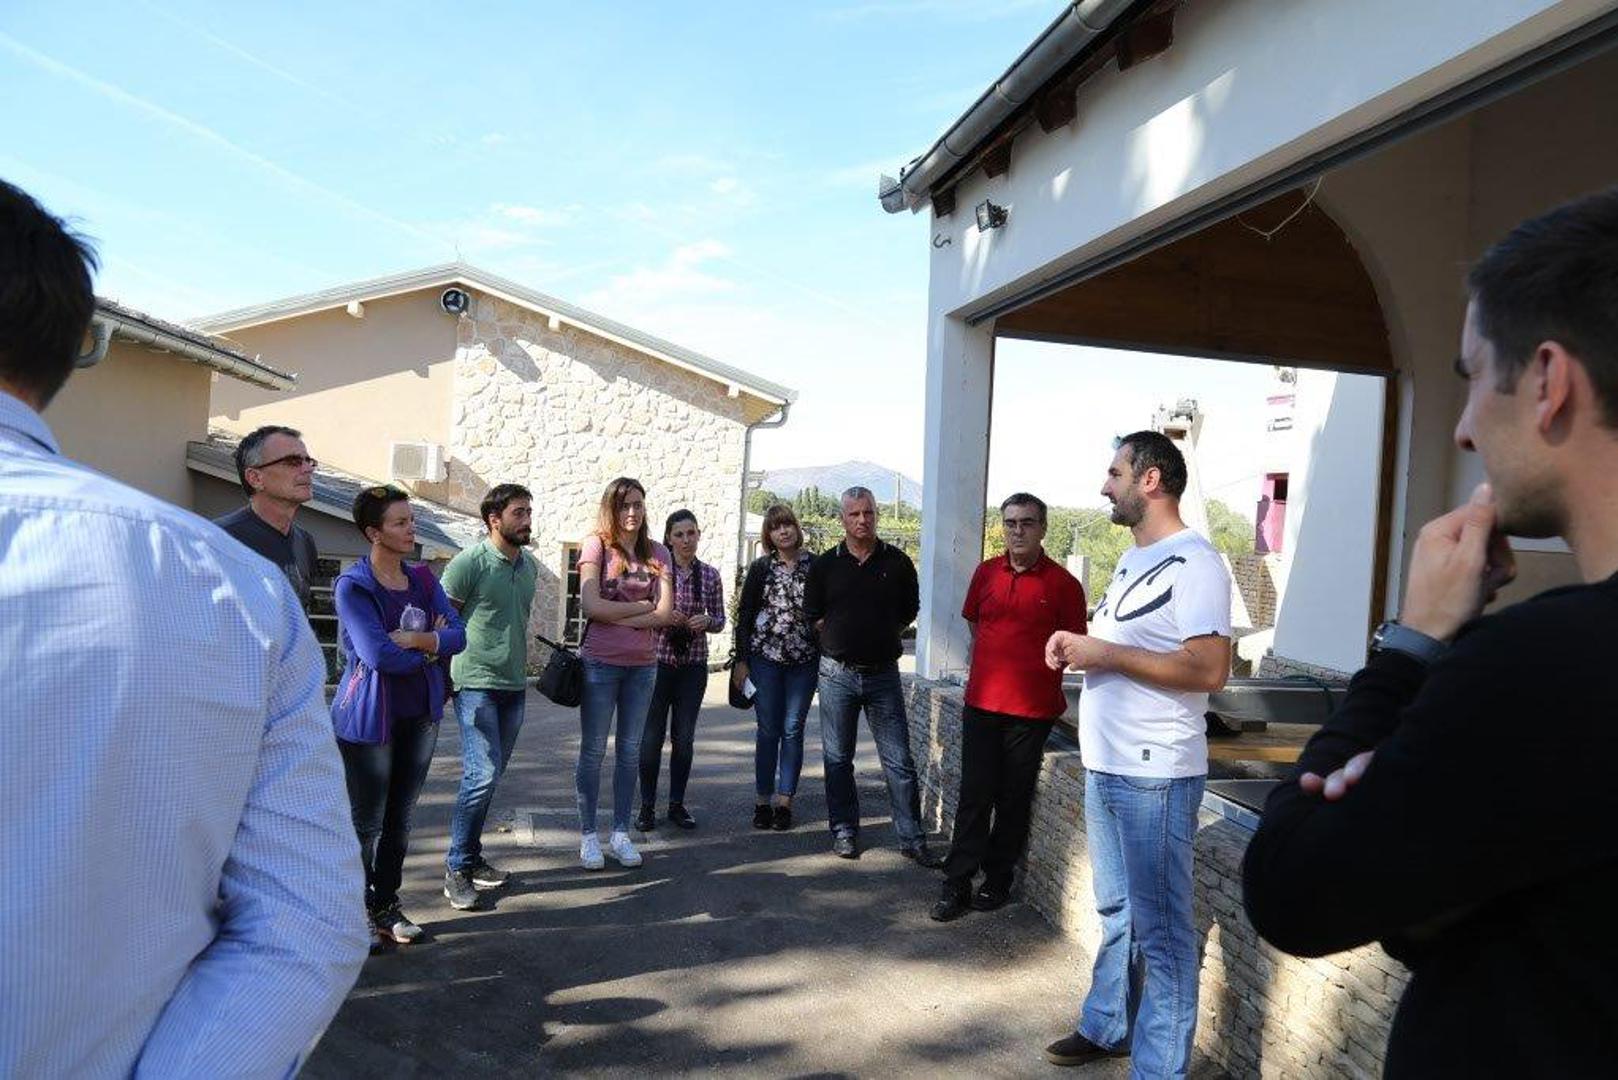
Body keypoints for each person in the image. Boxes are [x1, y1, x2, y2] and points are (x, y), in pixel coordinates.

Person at [1242, 189, 1618, 1076]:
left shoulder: (1544, 666)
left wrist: (1413, 647)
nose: (1462, 428)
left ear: (1548, 382)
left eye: (1472, 376)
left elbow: (1292, 886)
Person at [0, 180, 368, 1077]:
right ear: (249, 476)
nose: (308, 469)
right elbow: (307, 921)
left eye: (310, 457)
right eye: (290, 458)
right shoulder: (221, 563)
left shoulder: (276, 565)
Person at [1041, 432, 1232, 1073]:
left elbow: (1210, 669)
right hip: (1108, 764)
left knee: (1164, 934)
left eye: (1115, 472)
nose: (1105, 486)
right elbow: (1131, 649)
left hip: (1156, 774)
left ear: (1150, 480)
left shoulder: (1196, 563)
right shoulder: (1132, 559)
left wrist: (1105, 652)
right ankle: (1108, 1024)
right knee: (1117, 910)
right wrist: (1080, 647)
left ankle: (1158, 1069)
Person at [931, 493, 1086, 923]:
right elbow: (974, 622)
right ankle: (957, 882)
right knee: (975, 795)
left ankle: (998, 879)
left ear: (1043, 528)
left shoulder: (1064, 585)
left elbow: (1073, 645)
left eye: (1027, 523)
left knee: (1013, 799)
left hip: (1032, 712)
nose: (1018, 531)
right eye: (1011, 523)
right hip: (982, 703)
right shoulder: (986, 573)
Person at [331, 485, 466, 945]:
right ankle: (352, 913)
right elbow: (377, 656)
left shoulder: (424, 579)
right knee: (365, 823)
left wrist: (417, 641)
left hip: (420, 714)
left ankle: (385, 905)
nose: (412, 529)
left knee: (400, 820)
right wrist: (432, 646)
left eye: (412, 520)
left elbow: (459, 635)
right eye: (401, 522)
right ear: (374, 532)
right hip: (371, 720)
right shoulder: (354, 586)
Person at [804, 486, 942, 866]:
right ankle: (844, 831)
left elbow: (909, 610)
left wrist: (880, 632)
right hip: (837, 675)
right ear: (842, 519)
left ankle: (912, 838)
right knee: (837, 759)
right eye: (854, 514)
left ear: (876, 515)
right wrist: (838, 635)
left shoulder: (897, 562)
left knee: (899, 761)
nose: (862, 520)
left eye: (868, 513)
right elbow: (812, 613)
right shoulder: (825, 566)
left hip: (883, 676)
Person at [440, 483, 538, 912]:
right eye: (519, 513)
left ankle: (472, 856)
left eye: (529, 511)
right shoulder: (469, 563)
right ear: (493, 520)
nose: (527, 520)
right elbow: (442, 620)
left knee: (491, 775)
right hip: (475, 683)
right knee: (480, 775)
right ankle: (456, 868)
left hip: (513, 686)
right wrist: (440, 678)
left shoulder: (529, 566)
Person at [576, 477, 676, 870]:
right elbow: (590, 605)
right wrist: (641, 608)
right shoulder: (596, 545)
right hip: (600, 663)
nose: (631, 512)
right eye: (623, 505)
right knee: (593, 750)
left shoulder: (658, 552)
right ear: (611, 509)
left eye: (637, 504)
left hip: (643, 666)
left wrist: (614, 612)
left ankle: (620, 833)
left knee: (630, 750)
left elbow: (665, 614)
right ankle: (588, 836)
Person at [637, 509, 726, 832]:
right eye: (679, 534)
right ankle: (647, 806)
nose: (686, 540)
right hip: (657, 662)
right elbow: (641, 609)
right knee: (651, 738)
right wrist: (662, 614)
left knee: (684, 738)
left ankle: (676, 804)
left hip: (693, 666)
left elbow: (720, 619)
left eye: (691, 533)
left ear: (699, 535)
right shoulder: (656, 571)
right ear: (669, 539)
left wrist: (707, 621)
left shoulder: (710, 575)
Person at [733, 504, 819, 831]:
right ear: (768, 535)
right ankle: (762, 801)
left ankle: (785, 802)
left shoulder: (816, 566)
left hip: (804, 661)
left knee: (793, 729)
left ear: (796, 528)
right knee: (768, 730)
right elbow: (744, 615)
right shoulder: (761, 568)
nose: (783, 531)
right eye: (775, 527)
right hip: (764, 660)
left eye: (787, 525)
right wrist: (742, 660)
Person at [214, 424, 320, 610]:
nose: (307, 469)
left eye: (308, 461)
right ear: (255, 478)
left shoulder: (304, 542)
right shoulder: (219, 539)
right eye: (293, 461)